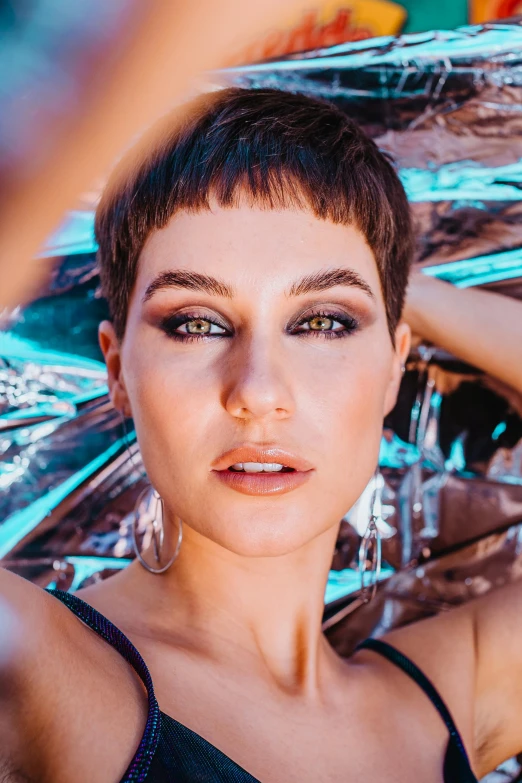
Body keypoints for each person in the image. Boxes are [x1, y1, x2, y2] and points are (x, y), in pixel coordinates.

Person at [1, 87, 521, 783]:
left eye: (326, 322)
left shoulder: (446, 702)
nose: (259, 393)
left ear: (396, 363)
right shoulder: (26, 661)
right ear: (118, 368)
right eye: (194, 322)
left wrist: (407, 288)